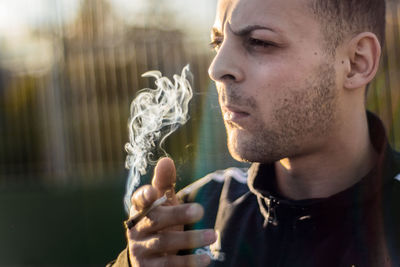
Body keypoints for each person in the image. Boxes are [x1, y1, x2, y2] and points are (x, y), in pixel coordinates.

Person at [108, 0, 400, 266]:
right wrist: (133, 263)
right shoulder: (196, 216)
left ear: (356, 62)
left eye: (259, 42)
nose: (217, 68)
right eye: (217, 42)